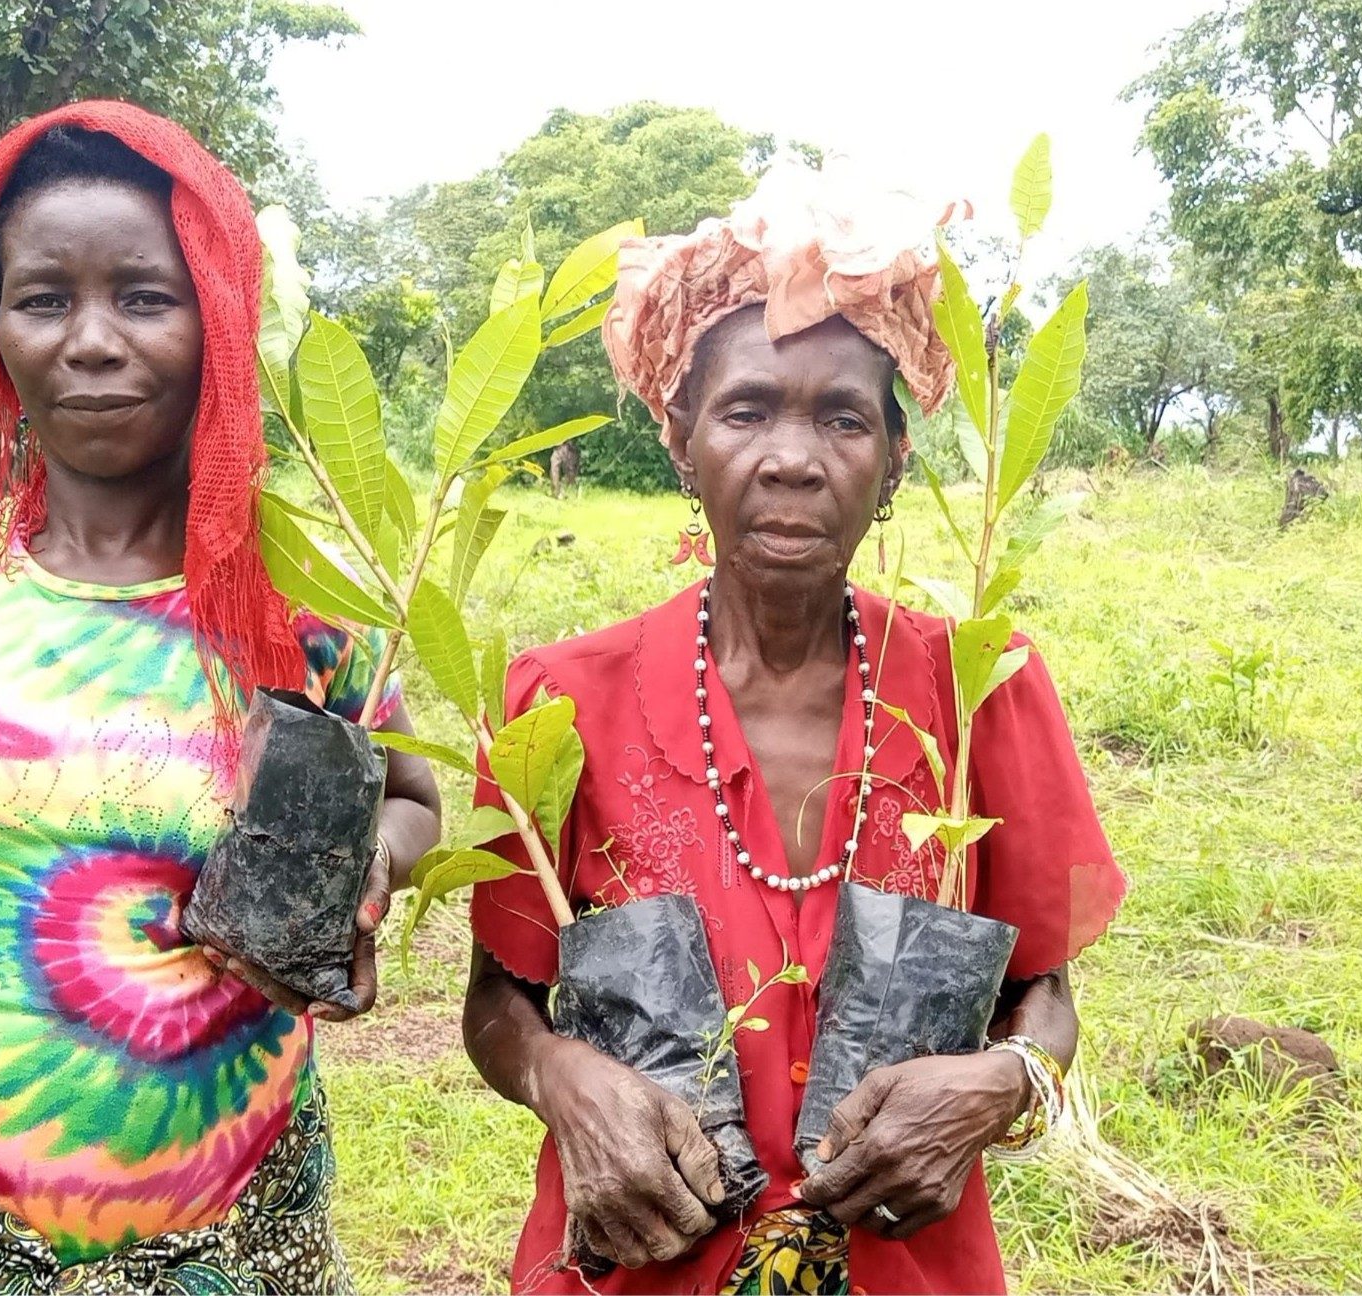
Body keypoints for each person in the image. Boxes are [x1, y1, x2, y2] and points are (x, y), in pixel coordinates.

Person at [0, 101, 441, 1294]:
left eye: (145, 296)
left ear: (216, 321)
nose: (92, 341)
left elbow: (415, 795)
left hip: (239, 1228)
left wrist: (371, 865)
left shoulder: (306, 602)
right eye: (45, 298)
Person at [462, 172, 1127, 1295]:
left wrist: (1003, 1082)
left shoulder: (979, 692)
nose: (792, 457)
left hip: (906, 1267)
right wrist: (561, 1077)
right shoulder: (558, 702)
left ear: (895, 459)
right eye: (747, 409)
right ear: (680, 441)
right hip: (636, 1264)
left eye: (841, 417)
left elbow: (1045, 999)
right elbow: (497, 1004)